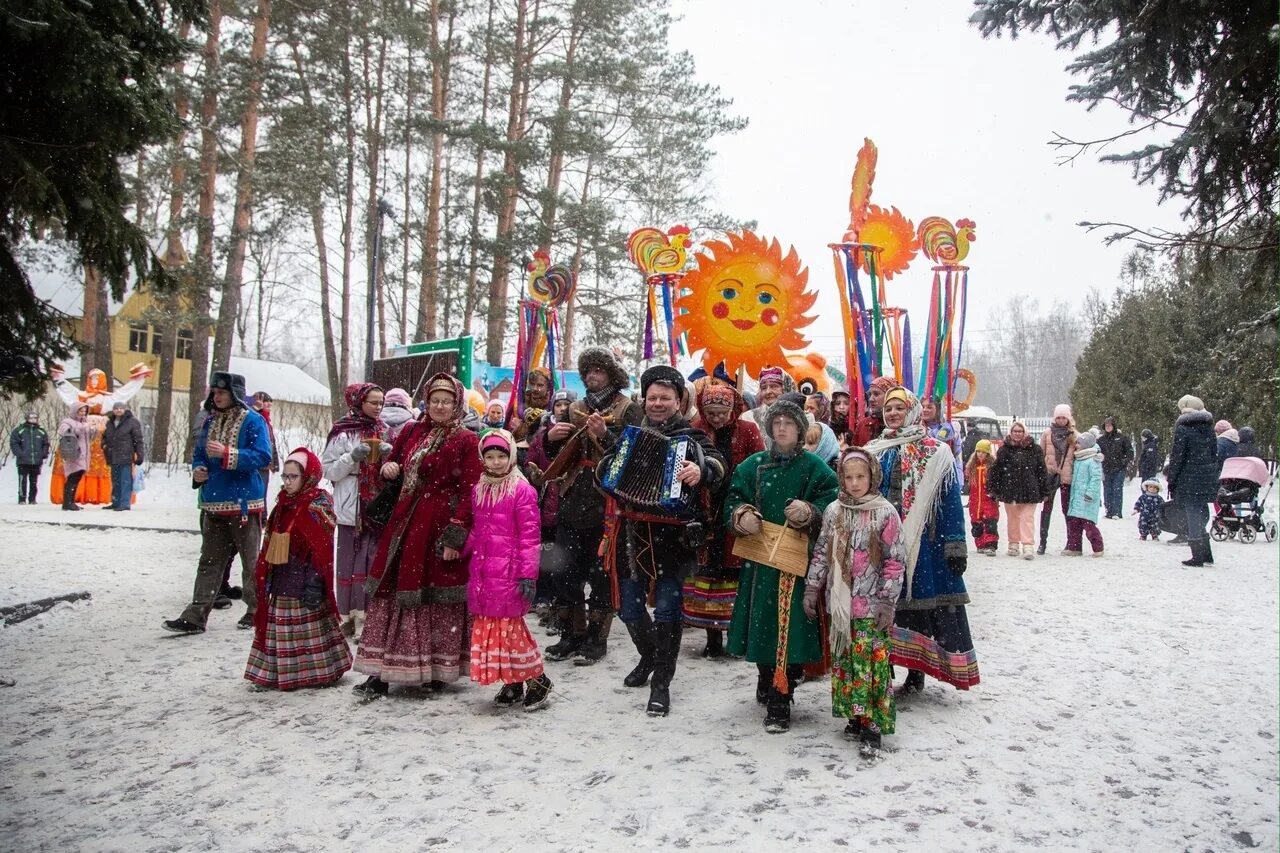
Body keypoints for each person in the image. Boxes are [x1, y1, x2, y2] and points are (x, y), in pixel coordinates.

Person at [598, 365, 724, 717]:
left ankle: (661, 684)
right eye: (652, 397)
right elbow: (607, 472)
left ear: (678, 400)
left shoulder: (693, 437)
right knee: (628, 606)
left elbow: (717, 465)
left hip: (673, 535)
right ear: (644, 399)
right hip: (632, 533)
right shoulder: (630, 434)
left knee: (668, 610)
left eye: (664, 397)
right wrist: (605, 470)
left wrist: (700, 470)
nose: (657, 403)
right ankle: (649, 656)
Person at [352, 373, 482, 696]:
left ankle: (436, 669)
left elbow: (470, 492)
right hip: (405, 524)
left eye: (446, 401)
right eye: (435, 400)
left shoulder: (465, 440)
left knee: (436, 598)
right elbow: (394, 464)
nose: (439, 406)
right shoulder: (411, 429)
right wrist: (388, 469)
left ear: (457, 404)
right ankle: (383, 671)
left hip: (438, 528)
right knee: (393, 593)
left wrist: (456, 535)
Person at [725, 396, 838, 732]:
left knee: (788, 629)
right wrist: (740, 516)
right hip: (760, 562)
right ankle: (766, 675)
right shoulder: (752, 465)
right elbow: (733, 498)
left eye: (789, 423)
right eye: (777, 424)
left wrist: (811, 511)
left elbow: (831, 496)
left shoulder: (815, 467)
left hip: (793, 560)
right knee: (760, 625)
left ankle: (780, 695)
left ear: (801, 430)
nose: (783, 428)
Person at [865, 387, 978, 694]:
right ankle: (881, 667)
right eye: (888, 408)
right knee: (880, 606)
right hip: (881, 545)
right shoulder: (874, 450)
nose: (892, 413)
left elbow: (951, 502)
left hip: (926, 546)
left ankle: (917, 672)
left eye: (899, 408)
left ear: (912, 410)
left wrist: (955, 544)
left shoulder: (936, 451)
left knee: (919, 611)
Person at [534, 347, 641, 664]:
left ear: (612, 375)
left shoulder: (628, 409)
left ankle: (596, 640)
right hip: (571, 501)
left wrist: (606, 435)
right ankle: (571, 636)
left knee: (602, 573)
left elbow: (632, 458)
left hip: (607, 504)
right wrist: (550, 437)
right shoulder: (575, 407)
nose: (592, 376)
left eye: (599, 370)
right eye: (588, 371)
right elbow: (556, 456)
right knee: (565, 572)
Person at [804, 448, 905, 757]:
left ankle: (873, 723)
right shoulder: (835, 511)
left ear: (872, 476)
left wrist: (887, 601)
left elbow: (895, 561)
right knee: (846, 663)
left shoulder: (885, 512)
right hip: (841, 605)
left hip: (872, 606)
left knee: (871, 666)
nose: (855, 482)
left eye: (861, 476)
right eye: (848, 477)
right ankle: (855, 716)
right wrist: (812, 588)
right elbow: (822, 551)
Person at [163, 371, 274, 634]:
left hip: (244, 503)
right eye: (214, 392)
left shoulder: (254, 421)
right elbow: (199, 453)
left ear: (234, 393)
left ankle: (256, 611)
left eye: (221, 392)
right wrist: (199, 469)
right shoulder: (209, 422)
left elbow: (263, 457)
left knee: (251, 562)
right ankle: (196, 615)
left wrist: (229, 454)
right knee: (209, 561)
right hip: (213, 503)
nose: (216, 396)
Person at [244, 448, 352, 690]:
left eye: (294, 477)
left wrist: (315, 580)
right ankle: (279, 672)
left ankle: (315, 672)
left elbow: (322, 550)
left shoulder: (317, 505)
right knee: (280, 627)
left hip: (305, 580)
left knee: (307, 627)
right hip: (282, 576)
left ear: (309, 477)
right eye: (285, 476)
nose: (288, 482)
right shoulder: (282, 504)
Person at [464, 428, 553, 710]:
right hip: (483, 572)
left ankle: (538, 680)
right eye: (489, 456)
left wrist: (528, 573)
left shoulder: (521, 489)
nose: (495, 462)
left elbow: (530, 537)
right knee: (494, 632)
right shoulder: (479, 488)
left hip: (510, 574)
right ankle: (513, 682)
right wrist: (459, 547)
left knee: (511, 632)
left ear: (511, 455)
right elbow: (478, 531)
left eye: (500, 456)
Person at [682, 381, 764, 657]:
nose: (717, 418)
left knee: (735, 573)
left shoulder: (748, 430)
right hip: (705, 509)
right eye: (711, 413)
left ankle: (736, 634)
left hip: (736, 506)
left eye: (722, 413)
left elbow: (759, 464)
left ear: (733, 409)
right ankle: (712, 635)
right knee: (708, 573)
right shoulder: (696, 430)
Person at [322, 383, 392, 639]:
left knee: (371, 560)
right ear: (359, 401)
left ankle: (367, 617)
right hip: (351, 505)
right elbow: (329, 471)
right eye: (373, 402)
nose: (378, 407)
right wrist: (351, 457)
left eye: (381, 402)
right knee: (349, 563)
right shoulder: (342, 431)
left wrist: (389, 455)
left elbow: (397, 469)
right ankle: (346, 616)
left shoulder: (385, 430)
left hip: (376, 507)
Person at [1168, 395, 1219, 567]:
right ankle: (1206, 554)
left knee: (1192, 512)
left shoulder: (1183, 429)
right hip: (1207, 476)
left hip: (1189, 477)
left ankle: (1197, 554)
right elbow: (1214, 454)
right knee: (1202, 510)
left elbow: (1177, 457)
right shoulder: (1209, 428)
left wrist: (1172, 479)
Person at [988, 421, 1048, 559]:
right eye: (1015, 431)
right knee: (1012, 518)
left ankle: (1027, 545)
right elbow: (996, 471)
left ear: (1025, 432)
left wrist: (1044, 490)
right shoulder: (1004, 450)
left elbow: (1041, 471)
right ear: (1011, 432)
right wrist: (994, 489)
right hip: (1010, 490)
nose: (1017, 434)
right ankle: (1013, 543)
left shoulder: (1035, 449)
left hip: (1030, 490)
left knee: (1027, 518)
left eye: (1020, 431)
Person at [1037, 404, 1079, 555]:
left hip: (1067, 477)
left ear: (1068, 418)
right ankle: (1042, 542)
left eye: (1064, 417)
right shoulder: (1047, 433)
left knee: (1067, 510)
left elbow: (1080, 455)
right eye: (1058, 417)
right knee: (1046, 509)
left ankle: (1070, 541)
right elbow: (1040, 454)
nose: (1061, 420)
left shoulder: (1074, 435)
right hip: (1050, 476)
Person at [1064, 432, 1104, 557]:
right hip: (1077, 498)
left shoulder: (1093, 460)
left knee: (1088, 526)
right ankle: (1075, 548)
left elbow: (1096, 478)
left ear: (1086, 445)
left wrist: (1090, 493)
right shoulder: (1079, 458)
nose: (1076, 445)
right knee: (1074, 524)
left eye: (1079, 443)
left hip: (1087, 499)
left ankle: (1098, 547)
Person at [102, 401, 143, 510]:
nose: (119, 410)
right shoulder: (110, 422)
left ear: (125, 409)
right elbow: (105, 437)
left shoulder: (132, 422)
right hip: (112, 455)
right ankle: (115, 502)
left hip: (126, 455)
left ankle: (124, 504)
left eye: (121, 408)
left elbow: (138, 440)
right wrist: (104, 445)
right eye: (116, 408)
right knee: (115, 480)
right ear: (113, 410)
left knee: (125, 480)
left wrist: (139, 455)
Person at [965, 439, 1000, 556]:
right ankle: (980, 544)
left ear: (988, 453)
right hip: (975, 500)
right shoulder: (971, 467)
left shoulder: (992, 467)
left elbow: (996, 482)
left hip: (988, 499)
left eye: (983, 452)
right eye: (978, 451)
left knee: (990, 522)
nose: (980, 454)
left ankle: (990, 545)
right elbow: (968, 483)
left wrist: (994, 493)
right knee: (976, 523)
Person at [745, 365, 793, 448]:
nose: (768, 392)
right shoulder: (749, 417)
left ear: (786, 388)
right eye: (763, 388)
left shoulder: (801, 416)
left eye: (774, 386)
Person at [920, 396, 964, 485]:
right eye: (922, 406)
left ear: (938, 409)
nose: (924, 410)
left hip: (946, 478)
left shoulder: (950, 427)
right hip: (923, 479)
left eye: (929, 407)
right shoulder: (916, 427)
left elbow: (939, 440)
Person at [56, 404, 91, 511]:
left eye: (84, 411)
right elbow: (67, 433)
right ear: (74, 411)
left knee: (76, 478)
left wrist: (92, 430)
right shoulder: (67, 422)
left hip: (83, 455)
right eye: (80, 411)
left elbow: (88, 439)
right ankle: (67, 503)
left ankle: (71, 502)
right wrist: (81, 428)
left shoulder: (84, 423)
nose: (82, 413)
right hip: (74, 455)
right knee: (72, 478)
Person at [1097, 416, 1134, 519]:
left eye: (1110, 425)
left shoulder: (1122, 438)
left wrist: (1125, 461)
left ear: (1114, 426)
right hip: (1106, 469)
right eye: (1106, 425)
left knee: (1117, 489)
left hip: (1119, 468)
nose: (1108, 427)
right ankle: (1109, 511)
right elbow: (1096, 452)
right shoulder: (1101, 440)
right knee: (1107, 490)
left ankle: (1117, 512)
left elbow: (1130, 452)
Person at [10, 410, 50, 504]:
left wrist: (43, 454)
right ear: (27, 418)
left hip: (36, 461)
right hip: (23, 461)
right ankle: (22, 499)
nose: (33, 419)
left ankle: (32, 499)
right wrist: (20, 453)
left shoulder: (41, 431)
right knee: (22, 481)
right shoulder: (19, 430)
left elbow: (46, 444)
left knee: (34, 481)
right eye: (31, 417)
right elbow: (14, 442)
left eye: (35, 418)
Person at [851, 376, 895, 447]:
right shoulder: (863, 425)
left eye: (876, 394)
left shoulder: (899, 424)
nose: (871, 399)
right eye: (870, 394)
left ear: (889, 396)